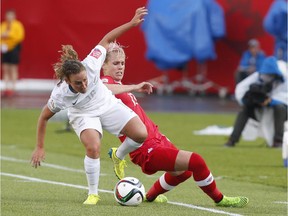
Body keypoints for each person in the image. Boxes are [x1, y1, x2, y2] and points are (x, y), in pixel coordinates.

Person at [101, 42, 249, 207]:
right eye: (115, 63)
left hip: (155, 138)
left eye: (122, 63)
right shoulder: (105, 83)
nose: (120, 67)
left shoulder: (119, 85)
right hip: (145, 149)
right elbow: (103, 88)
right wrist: (135, 86)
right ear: (104, 66)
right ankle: (220, 199)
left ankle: (150, 196)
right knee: (196, 161)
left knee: (184, 172)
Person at [30, 7, 149, 205]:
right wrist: (39, 147)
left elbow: (107, 39)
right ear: (67, 81)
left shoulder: (92, 63)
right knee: (93, 147)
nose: (84, 85)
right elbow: (43, 117)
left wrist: (131, 23)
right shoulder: (60, 94)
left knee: (140, 134)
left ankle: (118, 155)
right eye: (78, 83)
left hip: (106, 103)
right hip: (84, 114)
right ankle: (93, 193)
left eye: (85, 80)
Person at [225, 56, 287, 148]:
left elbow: (285, 97)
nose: (267, 76)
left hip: (281, 113)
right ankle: (232, 140)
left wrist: (271, 101)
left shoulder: (284, 80)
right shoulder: (256, 77)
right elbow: (240, 90)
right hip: (261, 111)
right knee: (245, 110)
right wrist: (250, 100)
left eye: (270, 74)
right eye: (266, 73)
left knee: (279, 108)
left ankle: (278, 141)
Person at [1, 9, 25, 97]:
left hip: (14, 48)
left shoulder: (17, 25)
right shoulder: (3, 25)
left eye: (11, 15)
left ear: (14, 16)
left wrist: (9, 35)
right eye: (8, 15)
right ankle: (6, 87)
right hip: (5, 48)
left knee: (13, 68)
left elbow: (20, 36)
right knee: (5, 68)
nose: (9, 17)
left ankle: (13, 88)